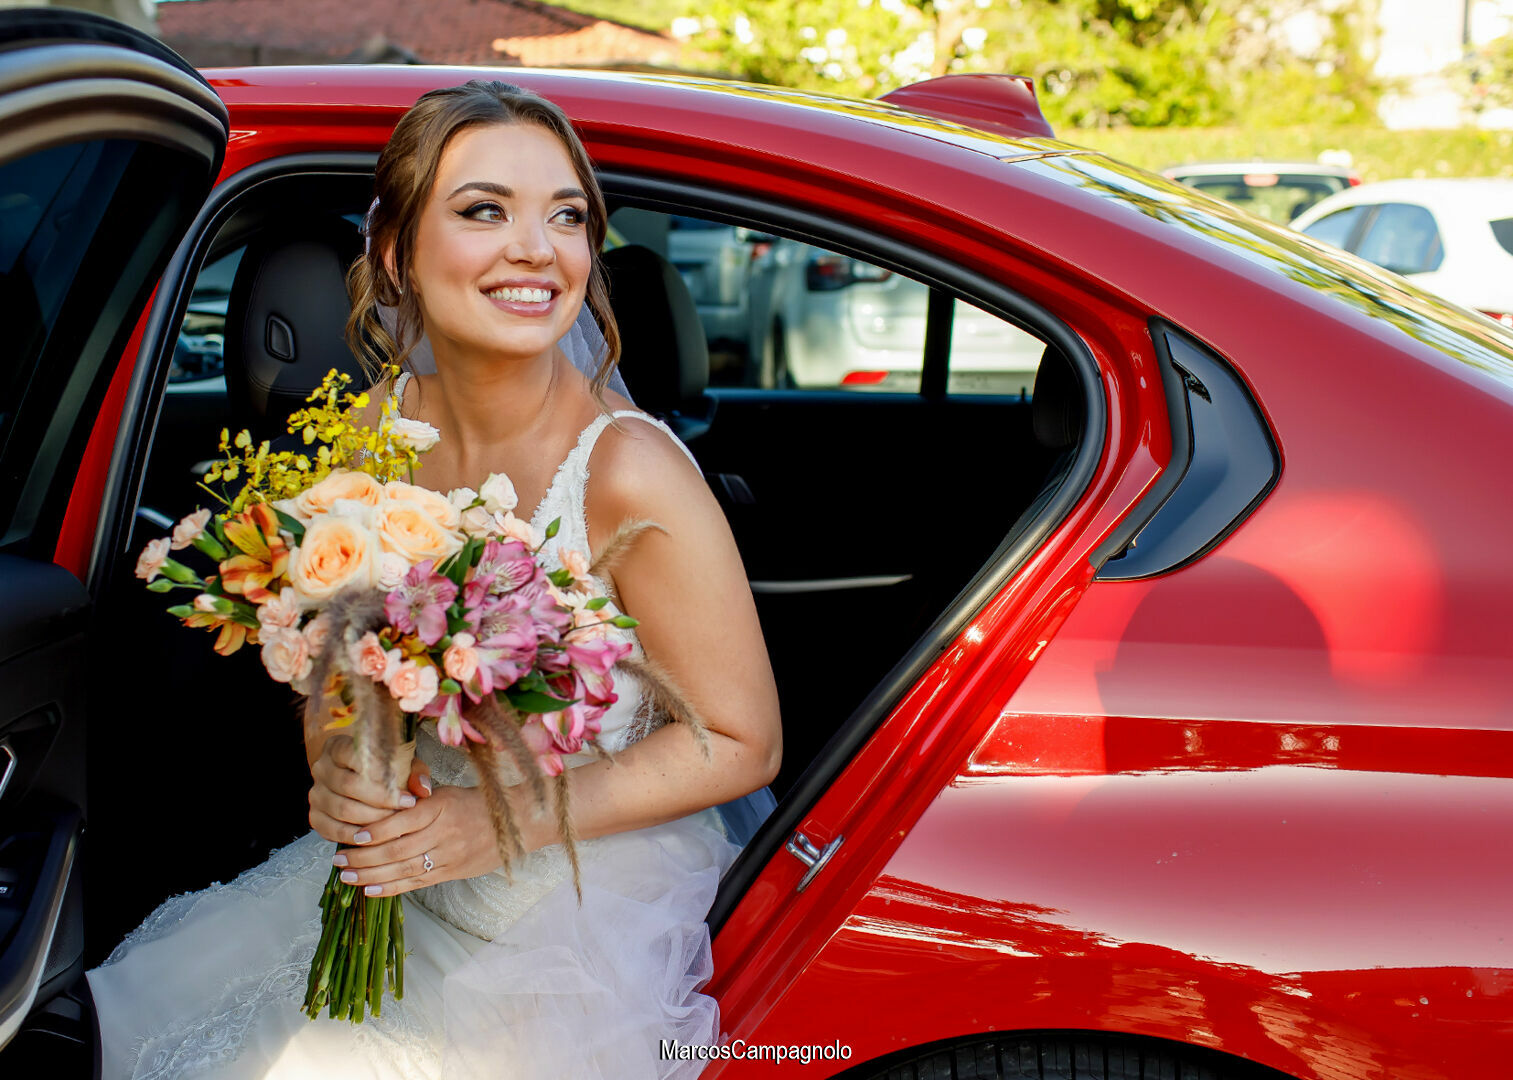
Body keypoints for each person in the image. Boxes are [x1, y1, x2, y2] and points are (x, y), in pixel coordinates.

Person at [86, 79, 782, 1079]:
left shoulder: (629, 469)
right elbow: (338, 655)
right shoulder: (374, 428)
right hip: (404, 864)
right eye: (483, 210)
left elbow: (738, 738)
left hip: (572, 901)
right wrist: (338, 763)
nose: (539, 249)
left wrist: (489, 827)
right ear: (394, 251)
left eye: (567, 215)